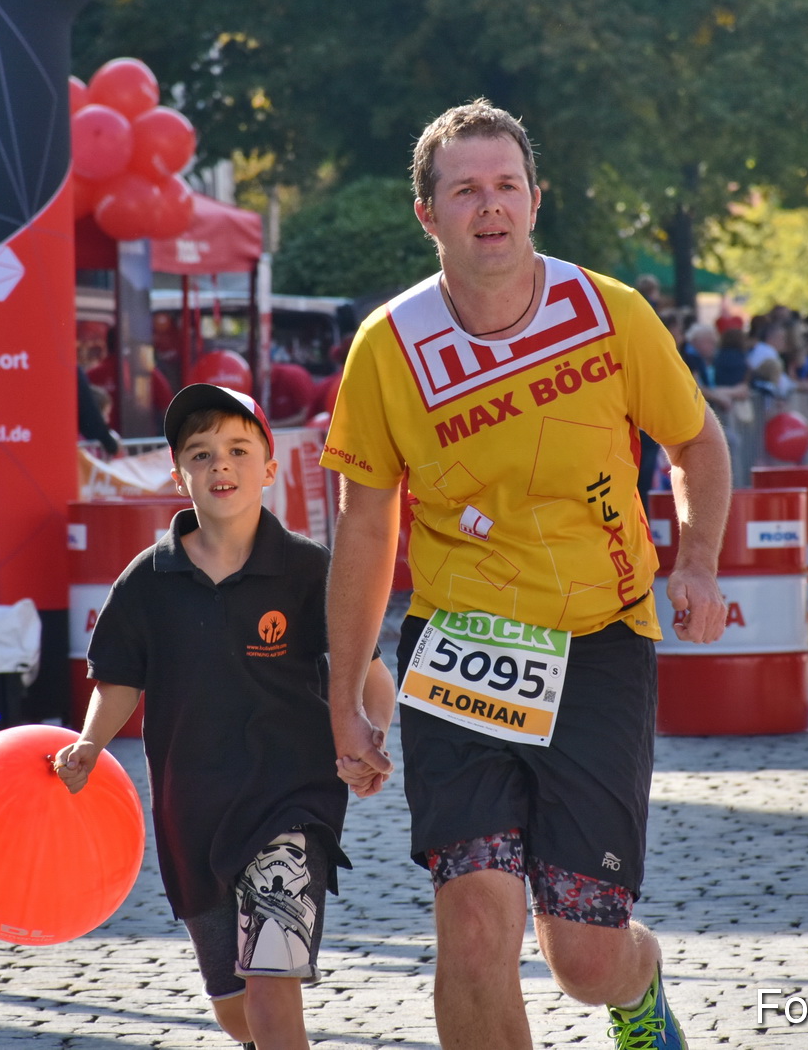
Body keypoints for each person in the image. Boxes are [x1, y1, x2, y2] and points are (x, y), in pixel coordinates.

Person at [319, 100, 731, 1050]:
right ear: (427, 214)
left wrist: (697, 562)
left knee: (583, 956)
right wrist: (345, 693)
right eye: (465, 190)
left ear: (536, 200)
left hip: (599, 641)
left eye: (506, 186)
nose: (489, 206)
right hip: (459, 649)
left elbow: (697, 443)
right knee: (471, 926)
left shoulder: (609, 312)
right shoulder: (389, 346)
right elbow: (365, 526)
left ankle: (639, 981)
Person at [53, 384, 393, 1050]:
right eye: (201, 453)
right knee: (236, 1007)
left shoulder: (307, 568)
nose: (220, 465)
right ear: (179, 472)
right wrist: (90, 742)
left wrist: (368, 735)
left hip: (291, 803)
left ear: (269, 468)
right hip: (193, 814)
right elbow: (120, 678)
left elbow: (370, 672)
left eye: (238, 449)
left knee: (272, 978)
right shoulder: (147, 580)